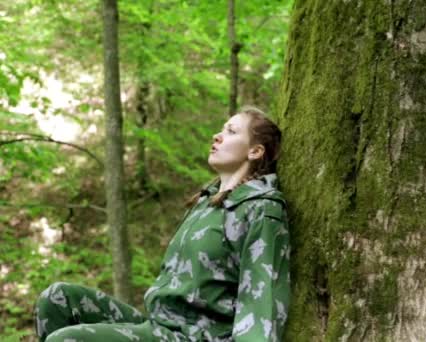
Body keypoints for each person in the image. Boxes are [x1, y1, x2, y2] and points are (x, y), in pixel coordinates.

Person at [34, 107, 290, 342]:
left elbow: (262, 301)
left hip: (194, 337)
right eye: (222, 129)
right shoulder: (207, 202)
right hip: (158, 327)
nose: (217, 136)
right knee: (57, 299)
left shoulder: (261, 208)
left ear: (255, 151)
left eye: (231, 131)